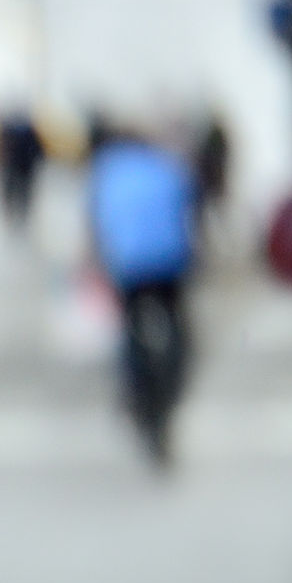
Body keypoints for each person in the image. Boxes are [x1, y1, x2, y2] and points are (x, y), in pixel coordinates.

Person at [85, 122, 199, 466]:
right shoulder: (164, 164)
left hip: (129, 264)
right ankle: (173, 375)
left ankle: (136, 389)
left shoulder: (104, 171)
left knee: (130, 327)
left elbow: (97, 222)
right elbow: (188, 204)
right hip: (170, 259)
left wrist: (101, 260)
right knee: (178, 324)